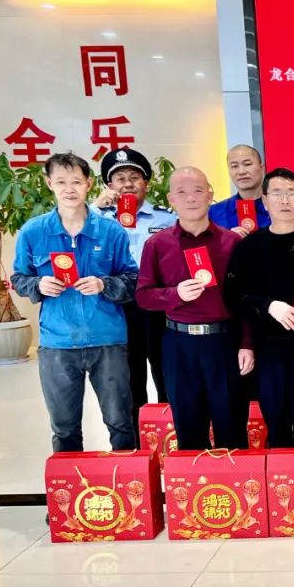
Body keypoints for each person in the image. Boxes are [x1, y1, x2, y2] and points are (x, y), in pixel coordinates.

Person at [11, 152, 138, 452]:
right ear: (49, 184)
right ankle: (71, 482)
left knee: (121, 423)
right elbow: (18, 277)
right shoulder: (33, 232)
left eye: (76, 182)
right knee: (64, 428)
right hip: (58, 343)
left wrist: (104, 284)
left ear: (89, 184)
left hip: (107, 339)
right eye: (61, 182)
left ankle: (129, 481)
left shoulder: (111, 231)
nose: (69, 189)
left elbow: (133, 279)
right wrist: (38, 284)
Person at [136, 167, 253, 450]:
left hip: (223, 342)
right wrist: (174, 294)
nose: (191, 198)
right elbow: (143, 296)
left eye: (198, 191)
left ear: (210, 195)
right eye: (182, 192)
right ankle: (195, 478)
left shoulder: (232, 242)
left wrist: (247, 344)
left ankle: (232, 478)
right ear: (171, 199)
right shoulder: (157, 244)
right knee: (188, 429)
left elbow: (247, 298)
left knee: (231, 427)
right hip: (179, 344)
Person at [224, 168, 294, 448]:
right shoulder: (249, 246)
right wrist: (268, 306)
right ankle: (281, 476)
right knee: (276, 426)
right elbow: (233, 295)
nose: (285, 200)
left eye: (291, 193)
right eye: (277, 193)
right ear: (264, 200)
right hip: (268, 351)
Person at [93, 147, 177, 434]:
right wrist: (95, 208)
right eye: (120, 179)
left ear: (146, 184)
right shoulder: (97, 219)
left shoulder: (166, 219)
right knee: (128, 376)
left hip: (158, 305)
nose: (127, 184)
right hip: (116, 307)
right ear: (109, 185)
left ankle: (172, 436)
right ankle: (136, 445)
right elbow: (73, 237)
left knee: (166, 372)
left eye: (134, 177)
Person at [209, 144, 271, 235]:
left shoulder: (280, 206)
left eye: (247, 164)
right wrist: (228, 239)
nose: (241, 172)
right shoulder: (214, 213)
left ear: (262, 168)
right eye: (234, 166)